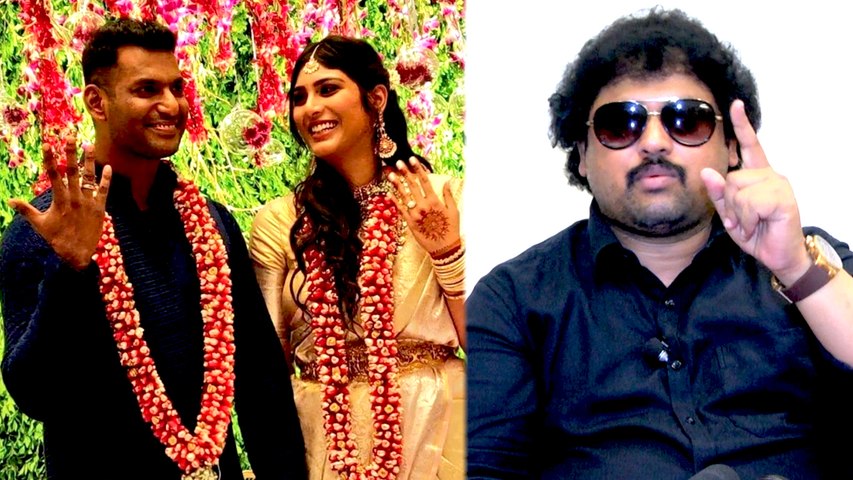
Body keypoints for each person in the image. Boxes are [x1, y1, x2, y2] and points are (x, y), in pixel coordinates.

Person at [466, 8, 853, 480]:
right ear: (582, 154)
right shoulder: (514, 301)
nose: (653, 142)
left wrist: (796, 269)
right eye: (619, 124)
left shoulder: (812, 263)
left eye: (685, 121)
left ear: (731, 146)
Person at [0, 18, 307, 480]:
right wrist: (71, 270)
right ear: (97, 102)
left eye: (176, 88)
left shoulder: (213, 223)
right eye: (147, 89)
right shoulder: (43, 231)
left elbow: (261, 379)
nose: (172, 104)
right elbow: (34, 394)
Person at [248, 36, 466, 480]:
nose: (311, 108)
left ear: (376, 99)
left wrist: (447, 255)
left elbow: (489, 344)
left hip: (437, 426)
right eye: (299, 97)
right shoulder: (280, 221)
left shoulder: (444, 197)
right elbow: (268, 370)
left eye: (328, 89)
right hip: (324, 439)